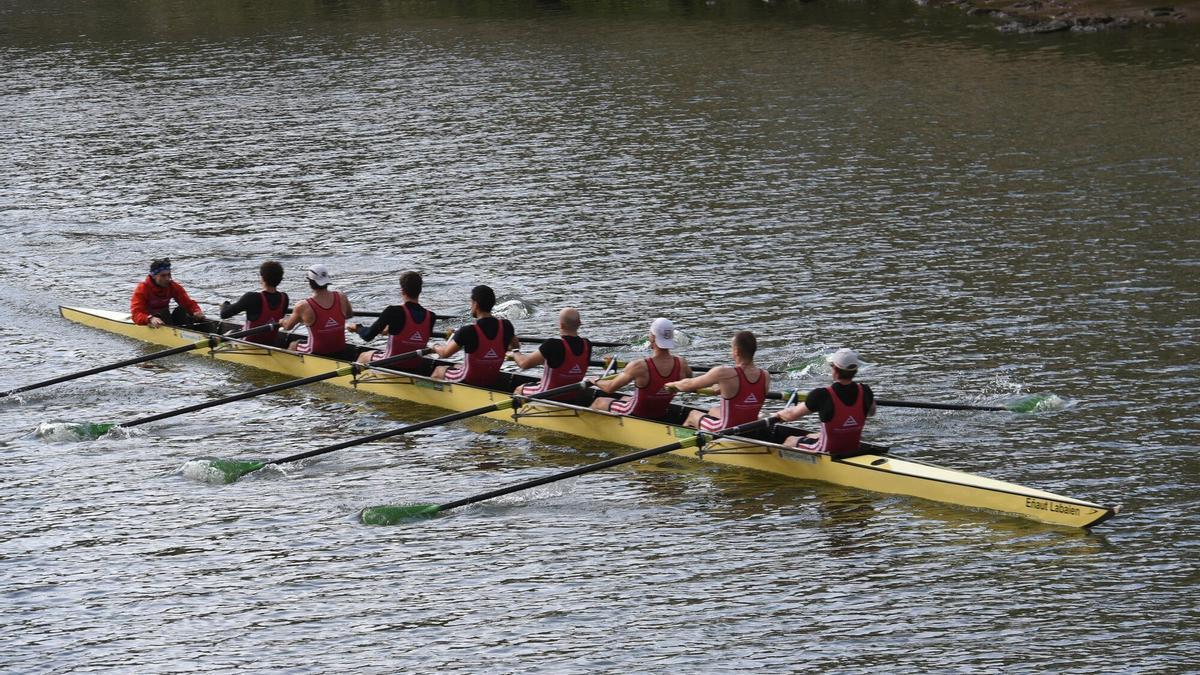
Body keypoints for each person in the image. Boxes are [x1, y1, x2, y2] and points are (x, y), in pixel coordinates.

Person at [768, 348, 875, 456]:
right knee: (812, 435)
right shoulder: (865, 391)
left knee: (790, 440)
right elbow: (872, 412)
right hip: (853, 447)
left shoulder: (822, 394)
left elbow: (791, 415)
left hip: (826, 451)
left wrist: (774, 416)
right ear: (855, 371)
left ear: (835, 369)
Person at [666, 330, 768, 431]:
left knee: (693, 415)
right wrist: (721, 388)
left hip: (724, 430)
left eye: (731, 348)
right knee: (713, 411)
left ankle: (682, 442)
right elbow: (744, 392)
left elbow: (689, 384)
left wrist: (672, 385)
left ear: (736, 351)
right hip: (751, 430)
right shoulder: (765, 376)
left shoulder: (724, 373)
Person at [591, 317, 693, 419]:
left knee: (599, 402)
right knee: (625, 398)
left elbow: (610, 388)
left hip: (634, 414)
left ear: (652, 338)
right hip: (660, 414)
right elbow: (690, 384)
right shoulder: (682, 364)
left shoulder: (639, 366)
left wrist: (594, 381)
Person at [346, 271, 436, 374]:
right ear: (420, 291)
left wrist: (357, 328)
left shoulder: (393, 311)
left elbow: (367, 336)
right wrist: (391, 329)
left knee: (363, 356)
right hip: (415, 365)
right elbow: (412, 332)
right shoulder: (431, 316)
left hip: (391, 364)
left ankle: (358, 383)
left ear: (402, 290)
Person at [431, 285, 519, 387]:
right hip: (492, 377)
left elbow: (445, 354)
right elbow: (516, 346)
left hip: (468, 379)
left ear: (476, 304)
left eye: (471, 302)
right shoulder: (506, 326)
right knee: (457, 366)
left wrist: (434, 346)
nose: (470, 306)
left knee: (438, 370)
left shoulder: (468, 331)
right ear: (493, 304)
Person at [509, 308, 592, 401]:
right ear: (579, 323)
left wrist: (515, 350)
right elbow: (567, 364)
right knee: (540, 381)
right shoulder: (587, 345)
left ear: (561, 325)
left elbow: (523, 364)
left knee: (519, 389)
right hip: (572, 395)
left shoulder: (553, 344)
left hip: (547, 395)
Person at [279, 264, 354, 357]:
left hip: (316, 351)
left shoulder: (303, 306)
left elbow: (288, 327)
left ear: (310, 282)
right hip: (340, 347)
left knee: (293, 345)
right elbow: (349, 315)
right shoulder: (341, 297)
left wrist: (282, 321)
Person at [219, 260, 289, 346]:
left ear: (262, 278)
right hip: (269, 343)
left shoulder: (252, 297)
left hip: (247, 344)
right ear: (280, 280)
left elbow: (224, 314)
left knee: (230, 333)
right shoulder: (285, 298)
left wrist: (224, 304)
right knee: (235, 331)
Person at [130, 257, 206, 328]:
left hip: (165, 320)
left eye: (169, 275)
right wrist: (150, 319)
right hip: (151, 320)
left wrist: (196, 311)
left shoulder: (173, 286)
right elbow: (136, 314)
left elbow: (188, 303)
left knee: (181, 310)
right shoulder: (142, 288)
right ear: (154, 276)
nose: (167, 278)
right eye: (163, 276)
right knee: (164, 313)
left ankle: (188, 331)